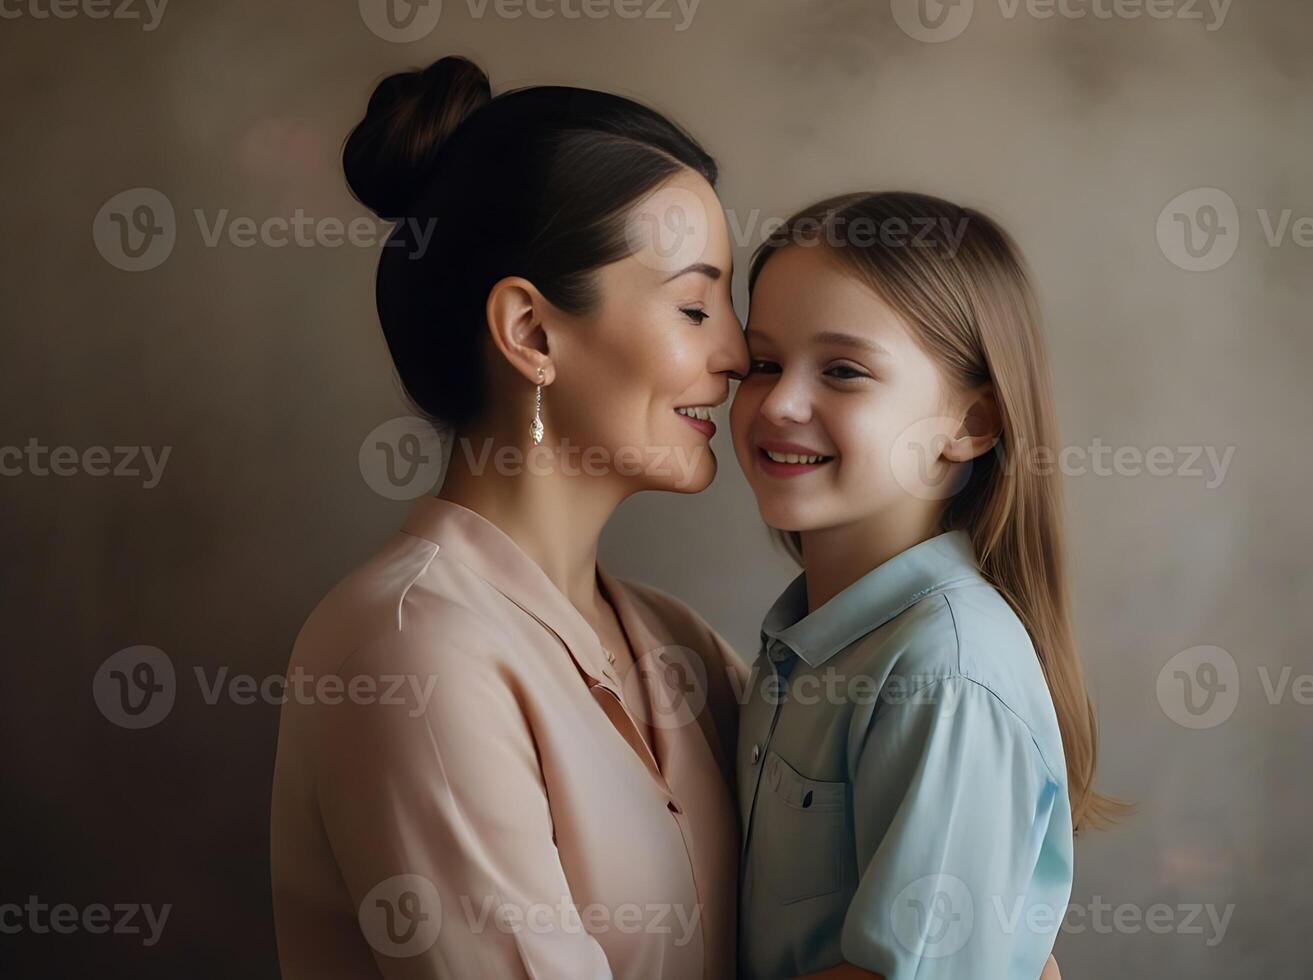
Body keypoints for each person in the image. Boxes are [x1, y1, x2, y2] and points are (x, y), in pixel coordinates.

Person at [270, 55, 751, 979]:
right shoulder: (407, 650)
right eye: (694, 304)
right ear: (530, 332)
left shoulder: (682, 647)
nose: (734, 353)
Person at [730, 191, 1125, 979]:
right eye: (764, 362)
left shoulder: (943, 670)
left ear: (971, 424)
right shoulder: (807, 642)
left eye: (842, 371)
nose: (778, 402)